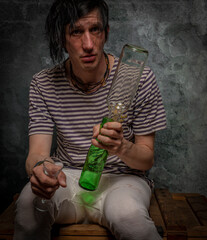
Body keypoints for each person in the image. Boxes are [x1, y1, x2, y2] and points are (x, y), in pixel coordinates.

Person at [13, 0, 166, 239]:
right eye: (76, 32)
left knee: (128, 217)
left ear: (106, 33)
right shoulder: (43, 84)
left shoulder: (139, 78)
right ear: (61, 39)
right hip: (68, 179)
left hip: (123, 181)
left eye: (95, 30)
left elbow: (146, 159)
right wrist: (42, 170)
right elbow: (37, 153)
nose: (88, 44)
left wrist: (121, 147)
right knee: (28, 206)